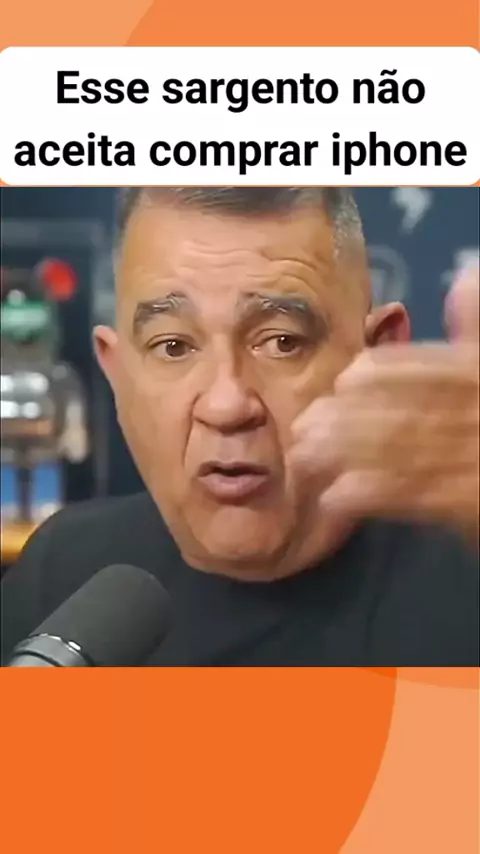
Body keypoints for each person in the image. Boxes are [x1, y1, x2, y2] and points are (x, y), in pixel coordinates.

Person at [1, 187, 478, 666]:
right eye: (173, 346)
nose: (227, 406)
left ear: (378, 355)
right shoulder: (61, 576)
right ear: (118, 373)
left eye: (282, 342)